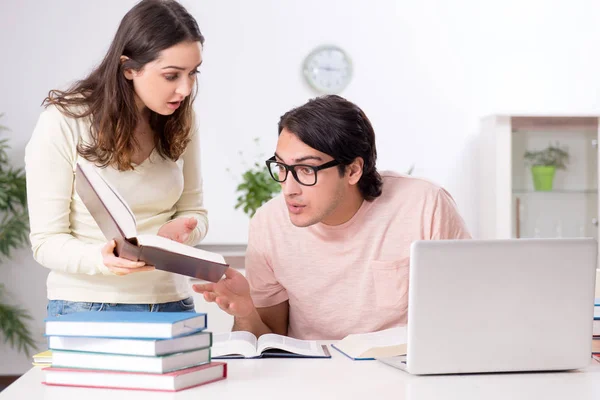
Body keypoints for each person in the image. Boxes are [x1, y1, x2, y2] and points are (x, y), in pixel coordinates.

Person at [193, 95, 471, 340]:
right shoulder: (269, 224)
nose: (288, 189)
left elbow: (467, 312)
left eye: (306, 170)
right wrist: (245, 312)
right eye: (282, 167)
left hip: (402, 374)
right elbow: (270, 343)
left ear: (352, 171)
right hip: (311, 378)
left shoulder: (424, 205)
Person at [25, 0, 208, 317]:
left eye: (193, 73)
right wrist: (102, 258)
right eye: (171, 75)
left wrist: (185, 231)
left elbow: (195, 211)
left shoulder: (183, 120)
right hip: (87, 305)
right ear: (128, 68)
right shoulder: (65, 121)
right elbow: (46, 241)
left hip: (172, 302)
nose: (185, 89)